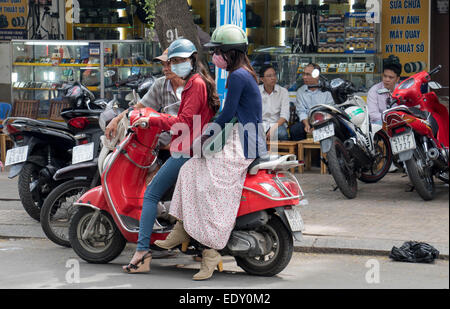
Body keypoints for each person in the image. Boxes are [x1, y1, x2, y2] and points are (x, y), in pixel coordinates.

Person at [154, 24, 267, 281]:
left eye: (217, 51)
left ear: (229, 53)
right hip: (242, 137)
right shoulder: (243, 73)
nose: (214, 57)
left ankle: (211, 250)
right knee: (191, 167)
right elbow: (227, 115)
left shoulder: (238, 76)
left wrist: (205, 135)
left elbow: (227, 115)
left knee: (210, 185)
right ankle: (183, 227)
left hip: (245, 143)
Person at [122, 38, 219, 273]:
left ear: (192, 60)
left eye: (179, 61)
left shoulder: (195, 84)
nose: (174, 65)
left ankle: (142, 252)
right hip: (191, 149)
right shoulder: (193, 83)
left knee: (151, 194)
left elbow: (183, 122)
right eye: (172, 61)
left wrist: (154, 120)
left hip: (186, 151)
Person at [290, 63, 334, 141]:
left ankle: (326, 153)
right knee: (295, 130)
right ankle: (301, 153)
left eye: (307, 74)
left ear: (316, 76)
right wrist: (306, 124)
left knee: (330, 129)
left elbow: (329, 111)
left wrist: (317, 126)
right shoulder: (301, 91)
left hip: (323, 120)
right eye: (303, 74)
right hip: (307, 120)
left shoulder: (327, 91)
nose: (304, 77)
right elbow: (301, 111)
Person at [259, 64, 290, 141]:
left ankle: (280, 153)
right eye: (269, 76)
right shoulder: (256, 91)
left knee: (281, 134)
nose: (273, 78)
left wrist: (273, 129)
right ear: (262, 79)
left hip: (277, 124)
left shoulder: (283, 92)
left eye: (274, 75)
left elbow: (284, 115)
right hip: (261, 124)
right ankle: (261, 153)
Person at [367, 56, 402, 125]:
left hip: (399, 123)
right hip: (380, 125)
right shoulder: (374, 90)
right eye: (385, 76)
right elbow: (373, 115)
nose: (387, 80)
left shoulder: (402, 90)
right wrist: (390, 118)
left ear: (397, 79)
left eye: (390, 77)